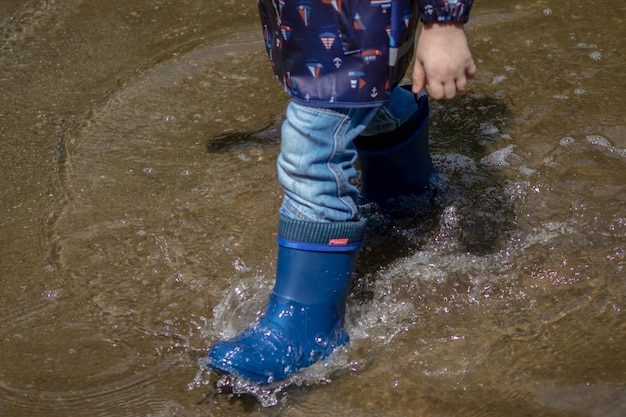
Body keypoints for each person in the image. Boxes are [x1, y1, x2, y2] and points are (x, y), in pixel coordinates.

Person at [206, 0, 476, 384]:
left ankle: (306, 330)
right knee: (356, 102)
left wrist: (444, 21)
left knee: (311, 148)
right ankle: (407, 194)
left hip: (363, 17)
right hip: (310, 17)